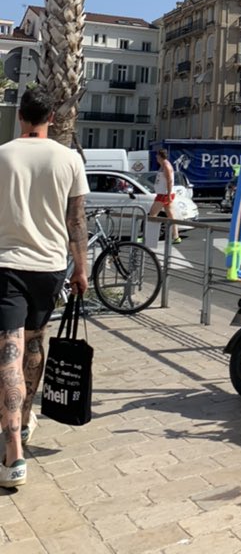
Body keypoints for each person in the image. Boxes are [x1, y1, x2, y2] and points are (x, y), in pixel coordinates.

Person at [0, 87, 89, 488]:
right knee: (34, 343)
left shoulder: (2, 155)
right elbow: (77, 222)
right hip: (50, 267)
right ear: (51, 117)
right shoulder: (69, 158)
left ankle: (13, 456)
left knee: (8, 349)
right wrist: (82, 269)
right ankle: (25, 420)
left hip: (6, 265)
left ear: (21, 116)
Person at [150, 148, 180, 244]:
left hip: (164, 194)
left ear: (160, 156)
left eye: (157, 155)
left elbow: (170, 180)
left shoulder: (166, 165)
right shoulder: (163, 165)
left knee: (152, 214)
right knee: (171, 215)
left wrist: (168, 194)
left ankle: (149, 236)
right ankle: (176, 236)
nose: (156, 157)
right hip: (164, 193)